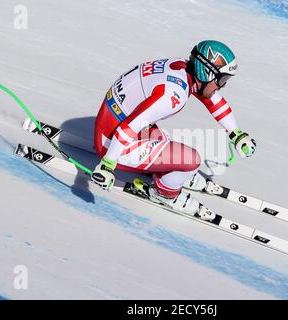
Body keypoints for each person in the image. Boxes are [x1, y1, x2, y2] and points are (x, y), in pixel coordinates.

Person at [91, 40, 256, 219]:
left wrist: (236, 134)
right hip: (111, 143)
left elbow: (212, 98)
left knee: (163, 142)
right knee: (192, 160)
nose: (222, 86)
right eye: (222, 80)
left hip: (111, 125)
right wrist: (107, 165)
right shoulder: (171, 95)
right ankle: (163, 193)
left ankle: (173, 174)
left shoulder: (180, 67)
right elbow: (129, 126)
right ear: (207, 72)